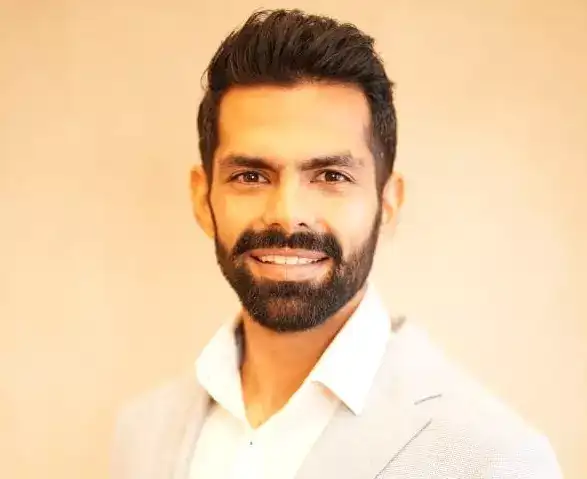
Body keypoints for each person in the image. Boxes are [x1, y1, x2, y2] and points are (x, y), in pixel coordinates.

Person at [111, 9, 562, 479]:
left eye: (331, 176)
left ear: (387, 203)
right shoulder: (142, 433)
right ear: (202, 200)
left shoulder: (497, 459)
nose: (287, 214)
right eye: (250, 176)